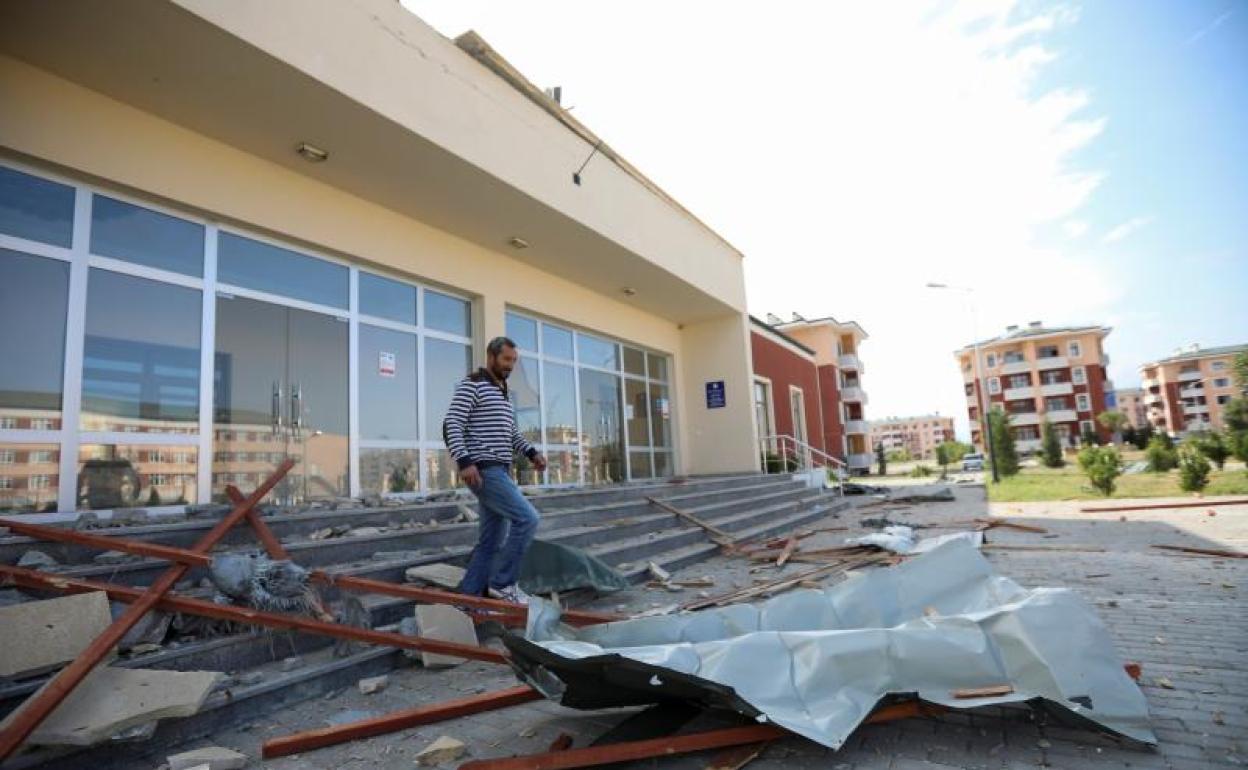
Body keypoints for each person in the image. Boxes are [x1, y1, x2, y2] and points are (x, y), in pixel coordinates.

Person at [443, 336, 547, 604]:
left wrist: (532, 453)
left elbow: (510, 432)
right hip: (484, 471)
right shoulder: (473, 385)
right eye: (506, 360)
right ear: (491, 356)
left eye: (513, 361)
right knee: (528, 519)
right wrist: (464, 461)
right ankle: (503, 584)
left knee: (491, 541)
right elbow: (451, 423)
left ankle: (468, 602)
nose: (510, 365)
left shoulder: (501, 390)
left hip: (500, 469)